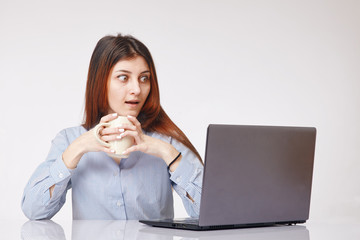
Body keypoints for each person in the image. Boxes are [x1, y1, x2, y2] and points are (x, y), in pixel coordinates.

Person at [21, 34, 204, 220]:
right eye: (123, 77)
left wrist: (166, 152)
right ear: (101, 82)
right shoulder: (70, 139)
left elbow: (211, 213)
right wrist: (78, 148)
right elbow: (34, 210)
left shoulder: (167, 141)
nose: (137, 89)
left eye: (144, 78)